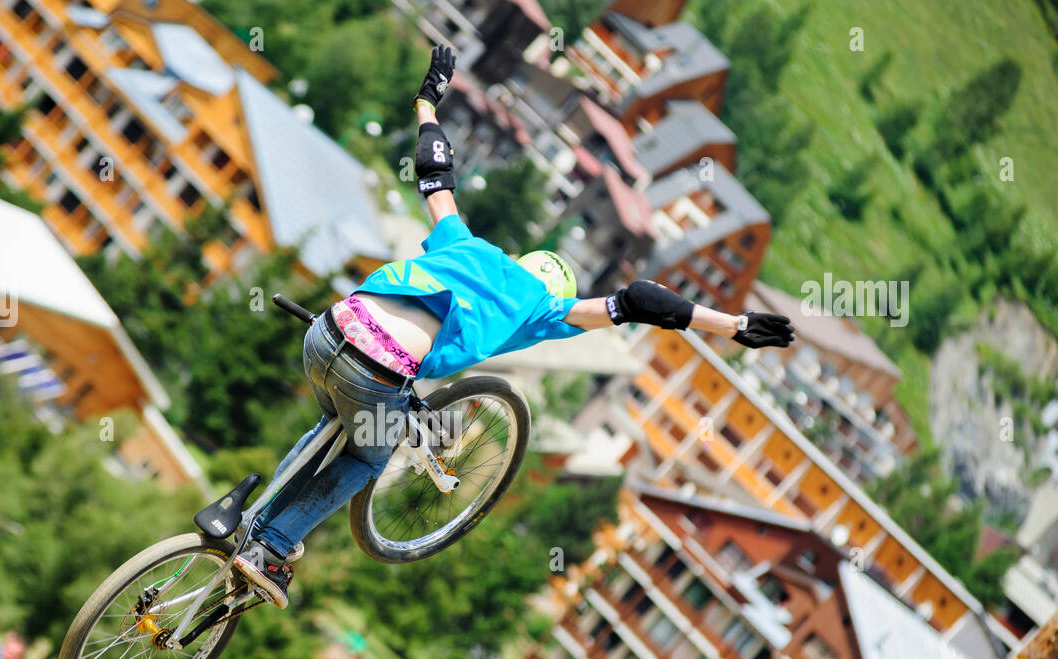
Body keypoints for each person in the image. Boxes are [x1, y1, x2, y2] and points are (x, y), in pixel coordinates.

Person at [231, 45, 795, 609]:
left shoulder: (466, 243)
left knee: (333, 422)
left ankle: (250, 527)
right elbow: (639, 300)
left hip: (329, 329)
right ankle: (271, 546)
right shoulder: (545, 307)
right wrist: (733, 324)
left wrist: (428, 98)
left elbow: (434, 170)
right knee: (367, 456)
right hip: (377, 372)